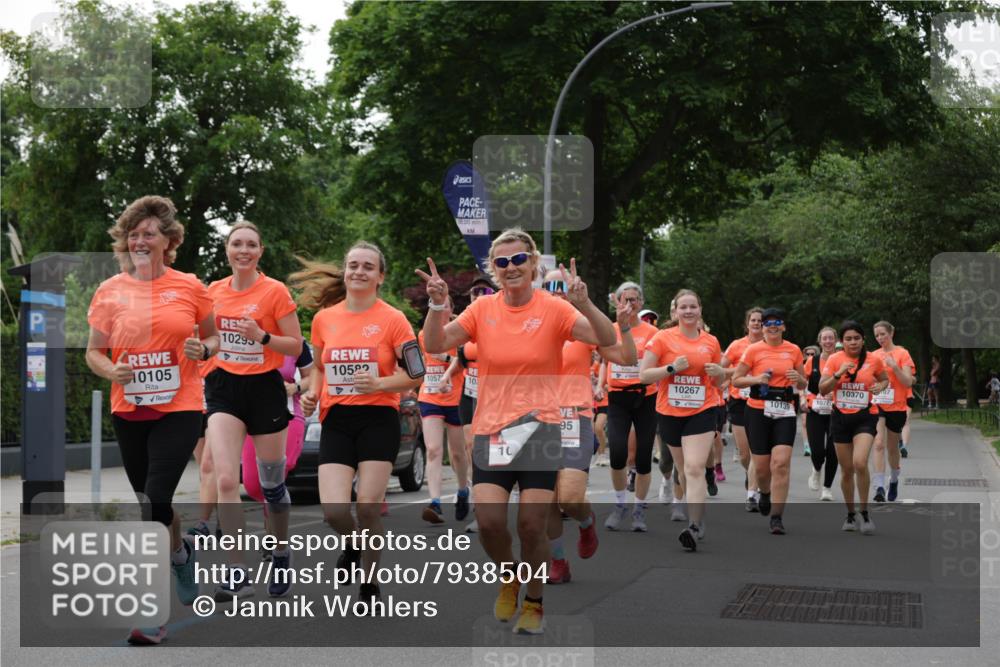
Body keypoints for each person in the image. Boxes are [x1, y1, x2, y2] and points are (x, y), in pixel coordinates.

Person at [418, 227, 616, 635]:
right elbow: (435, 344)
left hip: (541, 428)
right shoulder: (482, 311)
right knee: (490, 524)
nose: (511, 268)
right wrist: (438, 305)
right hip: (494, 431)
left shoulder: (554, 309)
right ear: (493, 269)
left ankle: (534, 600)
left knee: (531, 526)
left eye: (518, 260)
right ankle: (510, 575)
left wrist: (585, 303)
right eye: (502, 262)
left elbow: (606, 338)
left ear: (533, 263)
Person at [86, 195, 218, 645]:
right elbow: (93, 353)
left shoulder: (190, 287)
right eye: (133, 234)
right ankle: (181, 555)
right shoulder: (110, 291)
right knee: (153, 505)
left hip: (180, 404)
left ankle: (150, 614)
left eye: (149, 233)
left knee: (156, 497)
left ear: (169, 241)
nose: (140, 240)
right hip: (130, 407)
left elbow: (214, 337)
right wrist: (112, 370)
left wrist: (207, 349)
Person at [297, 242, 422, 608]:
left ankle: (370, 583)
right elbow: (319, 367)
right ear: (345, 270)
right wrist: (312, 394)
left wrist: (381, 384)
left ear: (380, 276)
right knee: (335, 511)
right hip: (336, 419)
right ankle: (353, 543)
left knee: (368, 506)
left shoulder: (393, 319)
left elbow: (417, 373)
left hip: (378, 418)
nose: (358, 272)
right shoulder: (325, 319)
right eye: (353, 265)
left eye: (368, 267)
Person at [205, 221, 303, 600]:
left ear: (260, 251)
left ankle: (279, 551)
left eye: (250, 245)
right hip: (224, 389)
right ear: (227, 250)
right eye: (236, 244)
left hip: (265, 388)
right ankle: (236, 569)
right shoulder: (212, 293)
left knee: (271, 484)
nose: (243, 250)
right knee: (226, 480)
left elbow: (294, 346)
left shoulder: (274, 291)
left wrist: (261, 337)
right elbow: (207, 339)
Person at [542, 268, 636, 583]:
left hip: (574, 416)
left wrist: (624, 329)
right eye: (548, 286)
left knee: (568, 496)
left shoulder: (581, 329)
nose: (555, 292)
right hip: (535, 420)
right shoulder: (528, 327)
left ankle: (585, 522)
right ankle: (558, 562)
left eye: (561, 286)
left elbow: (626, 359)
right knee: (545, 499)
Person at [640, 289, 725, 550]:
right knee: (683, 470)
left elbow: (718, 381)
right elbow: (644, 376)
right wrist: (670, 368)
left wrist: (720, 372)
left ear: (700, 310)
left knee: (694, 467)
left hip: (702, 410)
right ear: (674, 312)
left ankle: (695, 525)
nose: (688, 311)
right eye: (683, 307)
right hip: (670, 412)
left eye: (693, 307)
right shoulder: (661, 339)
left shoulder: (711, 342)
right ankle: (695, 513)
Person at [731, 307, 806, 535]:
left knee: (781, 464)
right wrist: (756, 378)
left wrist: (798, 379)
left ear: (783, 326)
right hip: (757, 411)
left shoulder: (793, 350)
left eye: (777, 322)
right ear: (762, 327)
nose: (772, 326)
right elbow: (736, 380)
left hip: (785, 410)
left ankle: (776, 516)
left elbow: (803, 384)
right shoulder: (753, 350)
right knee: (762, 469)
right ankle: (764, 492)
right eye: (767, 323)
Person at [238, 340, 314, 559]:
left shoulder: (294, 343)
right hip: (253, 417)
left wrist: (295, 387)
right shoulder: (245, 340)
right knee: (253, 485)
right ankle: (271, 518)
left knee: (276, 476)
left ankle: (276, 540)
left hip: (288, 414)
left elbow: (312, 376)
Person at [819, 320, 891, 535]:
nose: (853, 342)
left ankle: (865, 511)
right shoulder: (834, 359)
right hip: (840, 418)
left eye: (857, 338)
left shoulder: (874, 359)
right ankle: (850, 514)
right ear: (842, 341)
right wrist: (838, 373)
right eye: (848, 339)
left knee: (860, 462)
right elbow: (823, 389)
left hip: (865, 417)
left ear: (863, 339)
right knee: (847, 469)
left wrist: (880, 385)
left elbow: (885, 380)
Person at [603, 282, 658, 532]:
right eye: (625, 300)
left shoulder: (653, 333)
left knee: (644, 456)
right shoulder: (609, 330)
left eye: (634, 300)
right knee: (617, 453)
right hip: (617, 397)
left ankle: (639, 508)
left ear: (642, 303)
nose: (630, 305)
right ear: (618, 302)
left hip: (646, 397)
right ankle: (619, 504)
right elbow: (603, 356)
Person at [417, 302, 470, 524]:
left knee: (458, 453)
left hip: (455, 397)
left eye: (447, 306)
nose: (443, 309)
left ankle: (462, 490)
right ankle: (435, 503)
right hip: (429, 396)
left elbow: (464, 361)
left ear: (450, 309)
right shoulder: (424, 334)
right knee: (433, 450)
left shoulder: (459, 332)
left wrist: (446, 361)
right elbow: (421, 361)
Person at [458, 274, 496, 533]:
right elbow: (459, 360)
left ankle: (507, 499)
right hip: (469, 392)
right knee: (472, 446)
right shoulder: (464, 326)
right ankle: (478, 507)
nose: (478, 296)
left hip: (496, 395)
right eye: (474, 293)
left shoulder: (498, 322)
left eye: (484, 291)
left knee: (497, 450)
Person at [721, 307, 764, 512]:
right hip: (739, 401)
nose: (757, 323)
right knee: (745, 453)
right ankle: (752, 475)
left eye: (760, 321)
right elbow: (721, 368)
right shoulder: (737, 345)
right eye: (753, 320)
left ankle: (752, 493)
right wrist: (734, 373)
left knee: (757, 450)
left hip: (762, 401)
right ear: (747, 324)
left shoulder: (770, 347)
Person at [871, 321, 916, 503]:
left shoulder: (902, 353)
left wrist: (894, 367)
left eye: (883, 334)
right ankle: (879, 486)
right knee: (879, 444)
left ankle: (894, 479)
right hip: (878, 404)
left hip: (896, 406)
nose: (880, 338)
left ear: (892, 332)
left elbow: (907, 382)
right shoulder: (873, 355)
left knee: (892, 449)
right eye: (877, 336)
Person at [805, 328, 839, 501]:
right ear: (820, 341)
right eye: (824, 338)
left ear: (836, 340)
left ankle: (827, 488)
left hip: (836, 412)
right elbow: (802, 383)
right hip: (815, 411)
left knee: (833, 451)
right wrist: (804, 399)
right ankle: (816, 469)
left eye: (830, 338)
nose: (828, 341)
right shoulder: (812, 361)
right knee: (817, 450)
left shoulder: (842, 360)